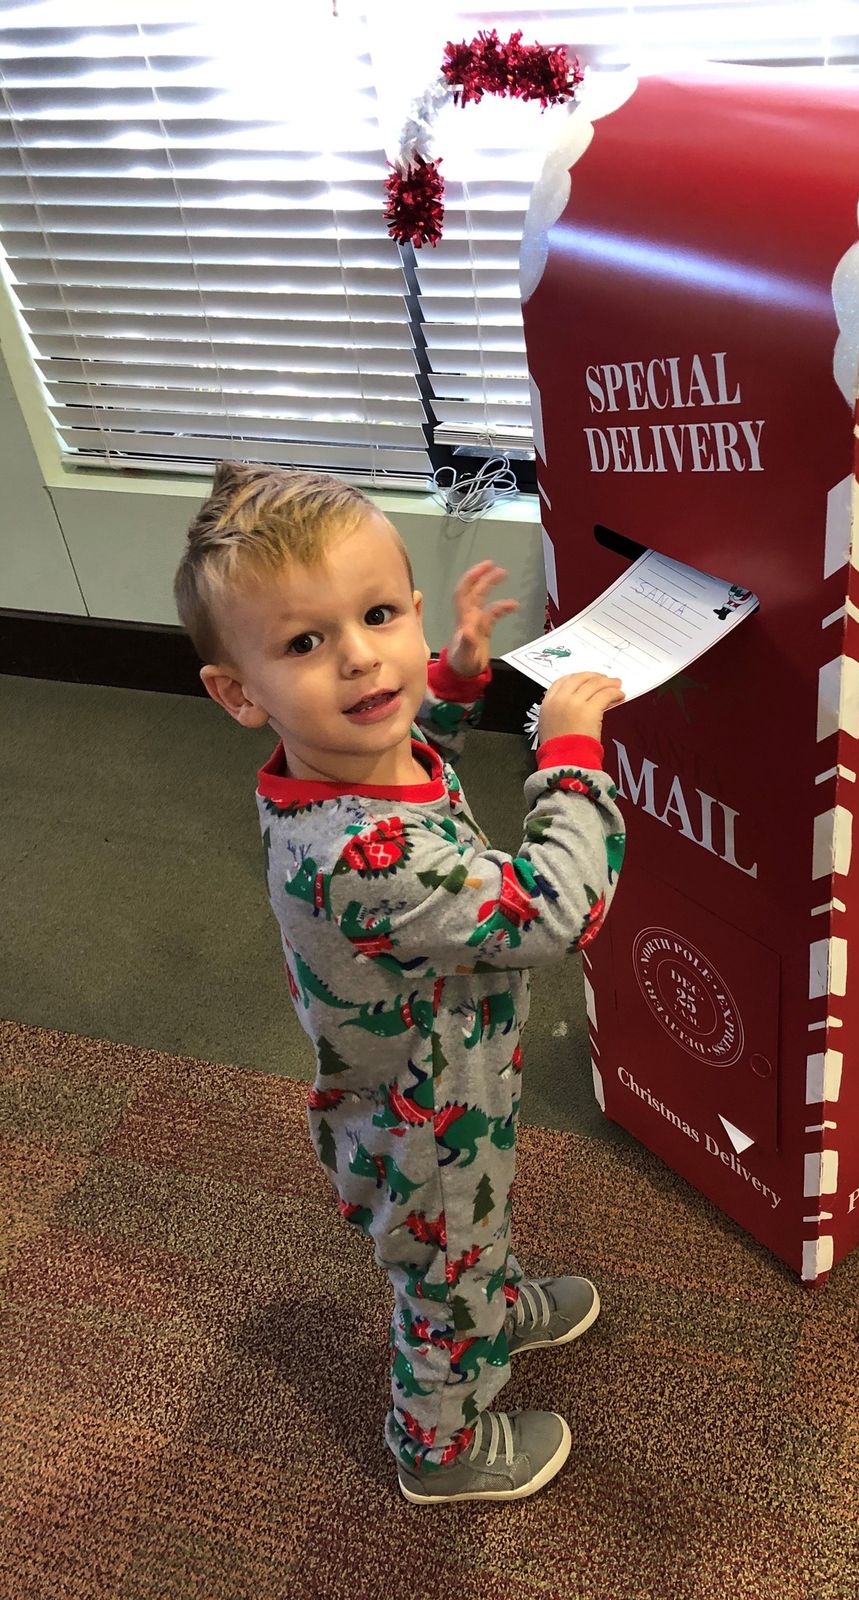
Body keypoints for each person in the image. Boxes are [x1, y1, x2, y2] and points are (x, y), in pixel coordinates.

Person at [174, 461, 626, 1504]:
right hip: (421, 1123)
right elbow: (558, 909)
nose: (363, 659)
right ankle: (440, 1449)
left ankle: (492, 1296)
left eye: (378, 614)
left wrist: (459, 679)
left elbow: (417, 751)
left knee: (478, 1237)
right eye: (305, 642)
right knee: (443, 1283)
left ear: (413, 608)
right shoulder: (362, 856)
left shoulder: (345, 763)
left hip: (448, 1072)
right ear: (239, 692)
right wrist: (567, 755)